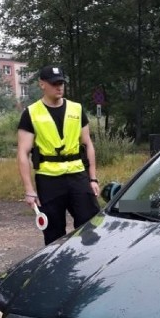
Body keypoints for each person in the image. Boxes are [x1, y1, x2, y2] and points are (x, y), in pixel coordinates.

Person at [17, 65, 100, 244]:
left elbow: (88, 144)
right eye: (54, 83)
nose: (59, 87)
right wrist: (29, 190)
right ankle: (57, 267)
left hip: (77, 174)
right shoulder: (31, 113)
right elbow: (23, 153)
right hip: (49, 179)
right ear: (42, 84)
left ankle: (88, 263)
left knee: (90, 225)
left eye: (61, 82)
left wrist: (93, 179)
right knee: (54, 231)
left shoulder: (76, 109)